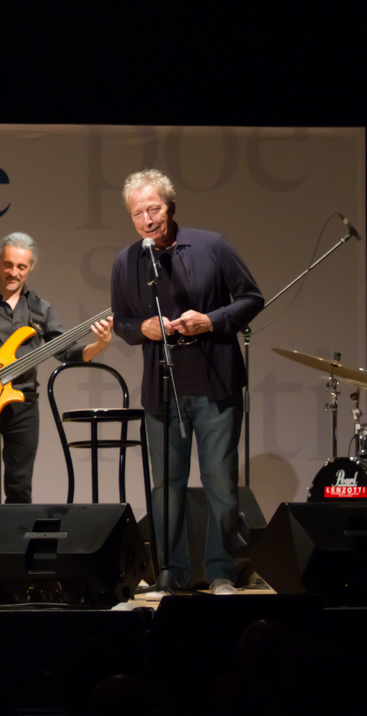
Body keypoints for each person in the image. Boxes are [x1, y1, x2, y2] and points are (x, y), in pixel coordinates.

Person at [0, 232, 114, 587]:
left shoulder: (41, 310)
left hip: (22, 403)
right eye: (9, 265)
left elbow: (67, 352)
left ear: (31, 269)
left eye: (22, 267)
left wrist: (100, 345)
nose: (14, 272)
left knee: (19, 486)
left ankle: (12, 560)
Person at [110, 169, 262, 595]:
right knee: (166, 489)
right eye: (137, 213)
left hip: (215, 384)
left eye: (153, 209)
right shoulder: (127, 261)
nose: (147, 220)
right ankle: (169, 572)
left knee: (220, 485)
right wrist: (144, 329)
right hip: (162, 391)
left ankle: (219, 571)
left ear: (171, 206)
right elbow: (121, 321)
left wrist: (210, 320)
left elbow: (252, 298)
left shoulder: (211, 245)